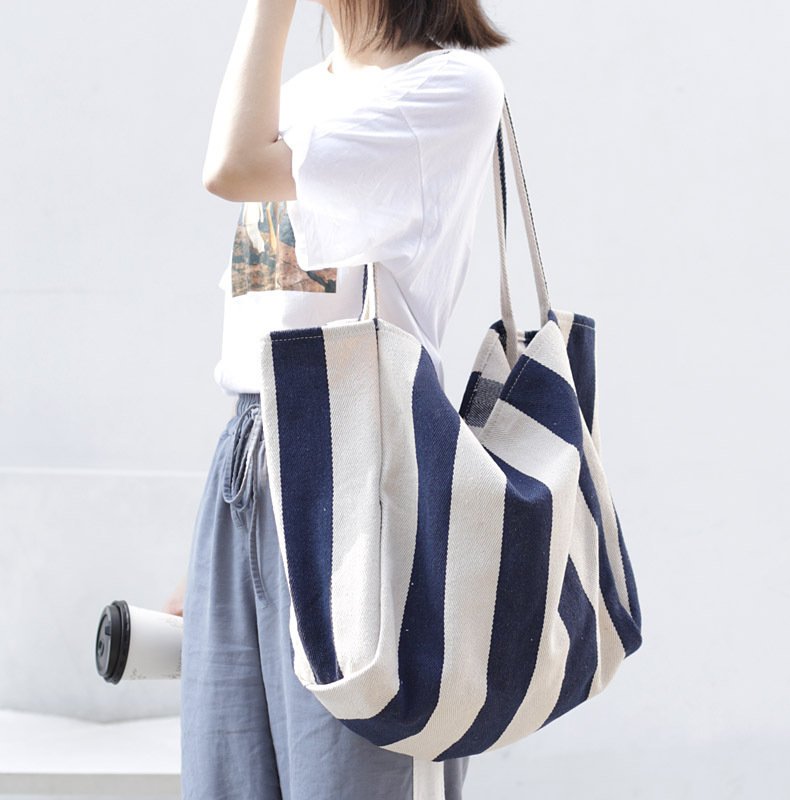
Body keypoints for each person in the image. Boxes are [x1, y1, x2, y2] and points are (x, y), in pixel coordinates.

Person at [163, 0, 510, 796]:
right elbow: (267, 322)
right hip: (251, 456)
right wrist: (225, 541)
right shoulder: (297, 93)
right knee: (224, 779)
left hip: (356, 467)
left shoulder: (451, 87)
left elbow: (230, 168)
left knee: (351, 778)